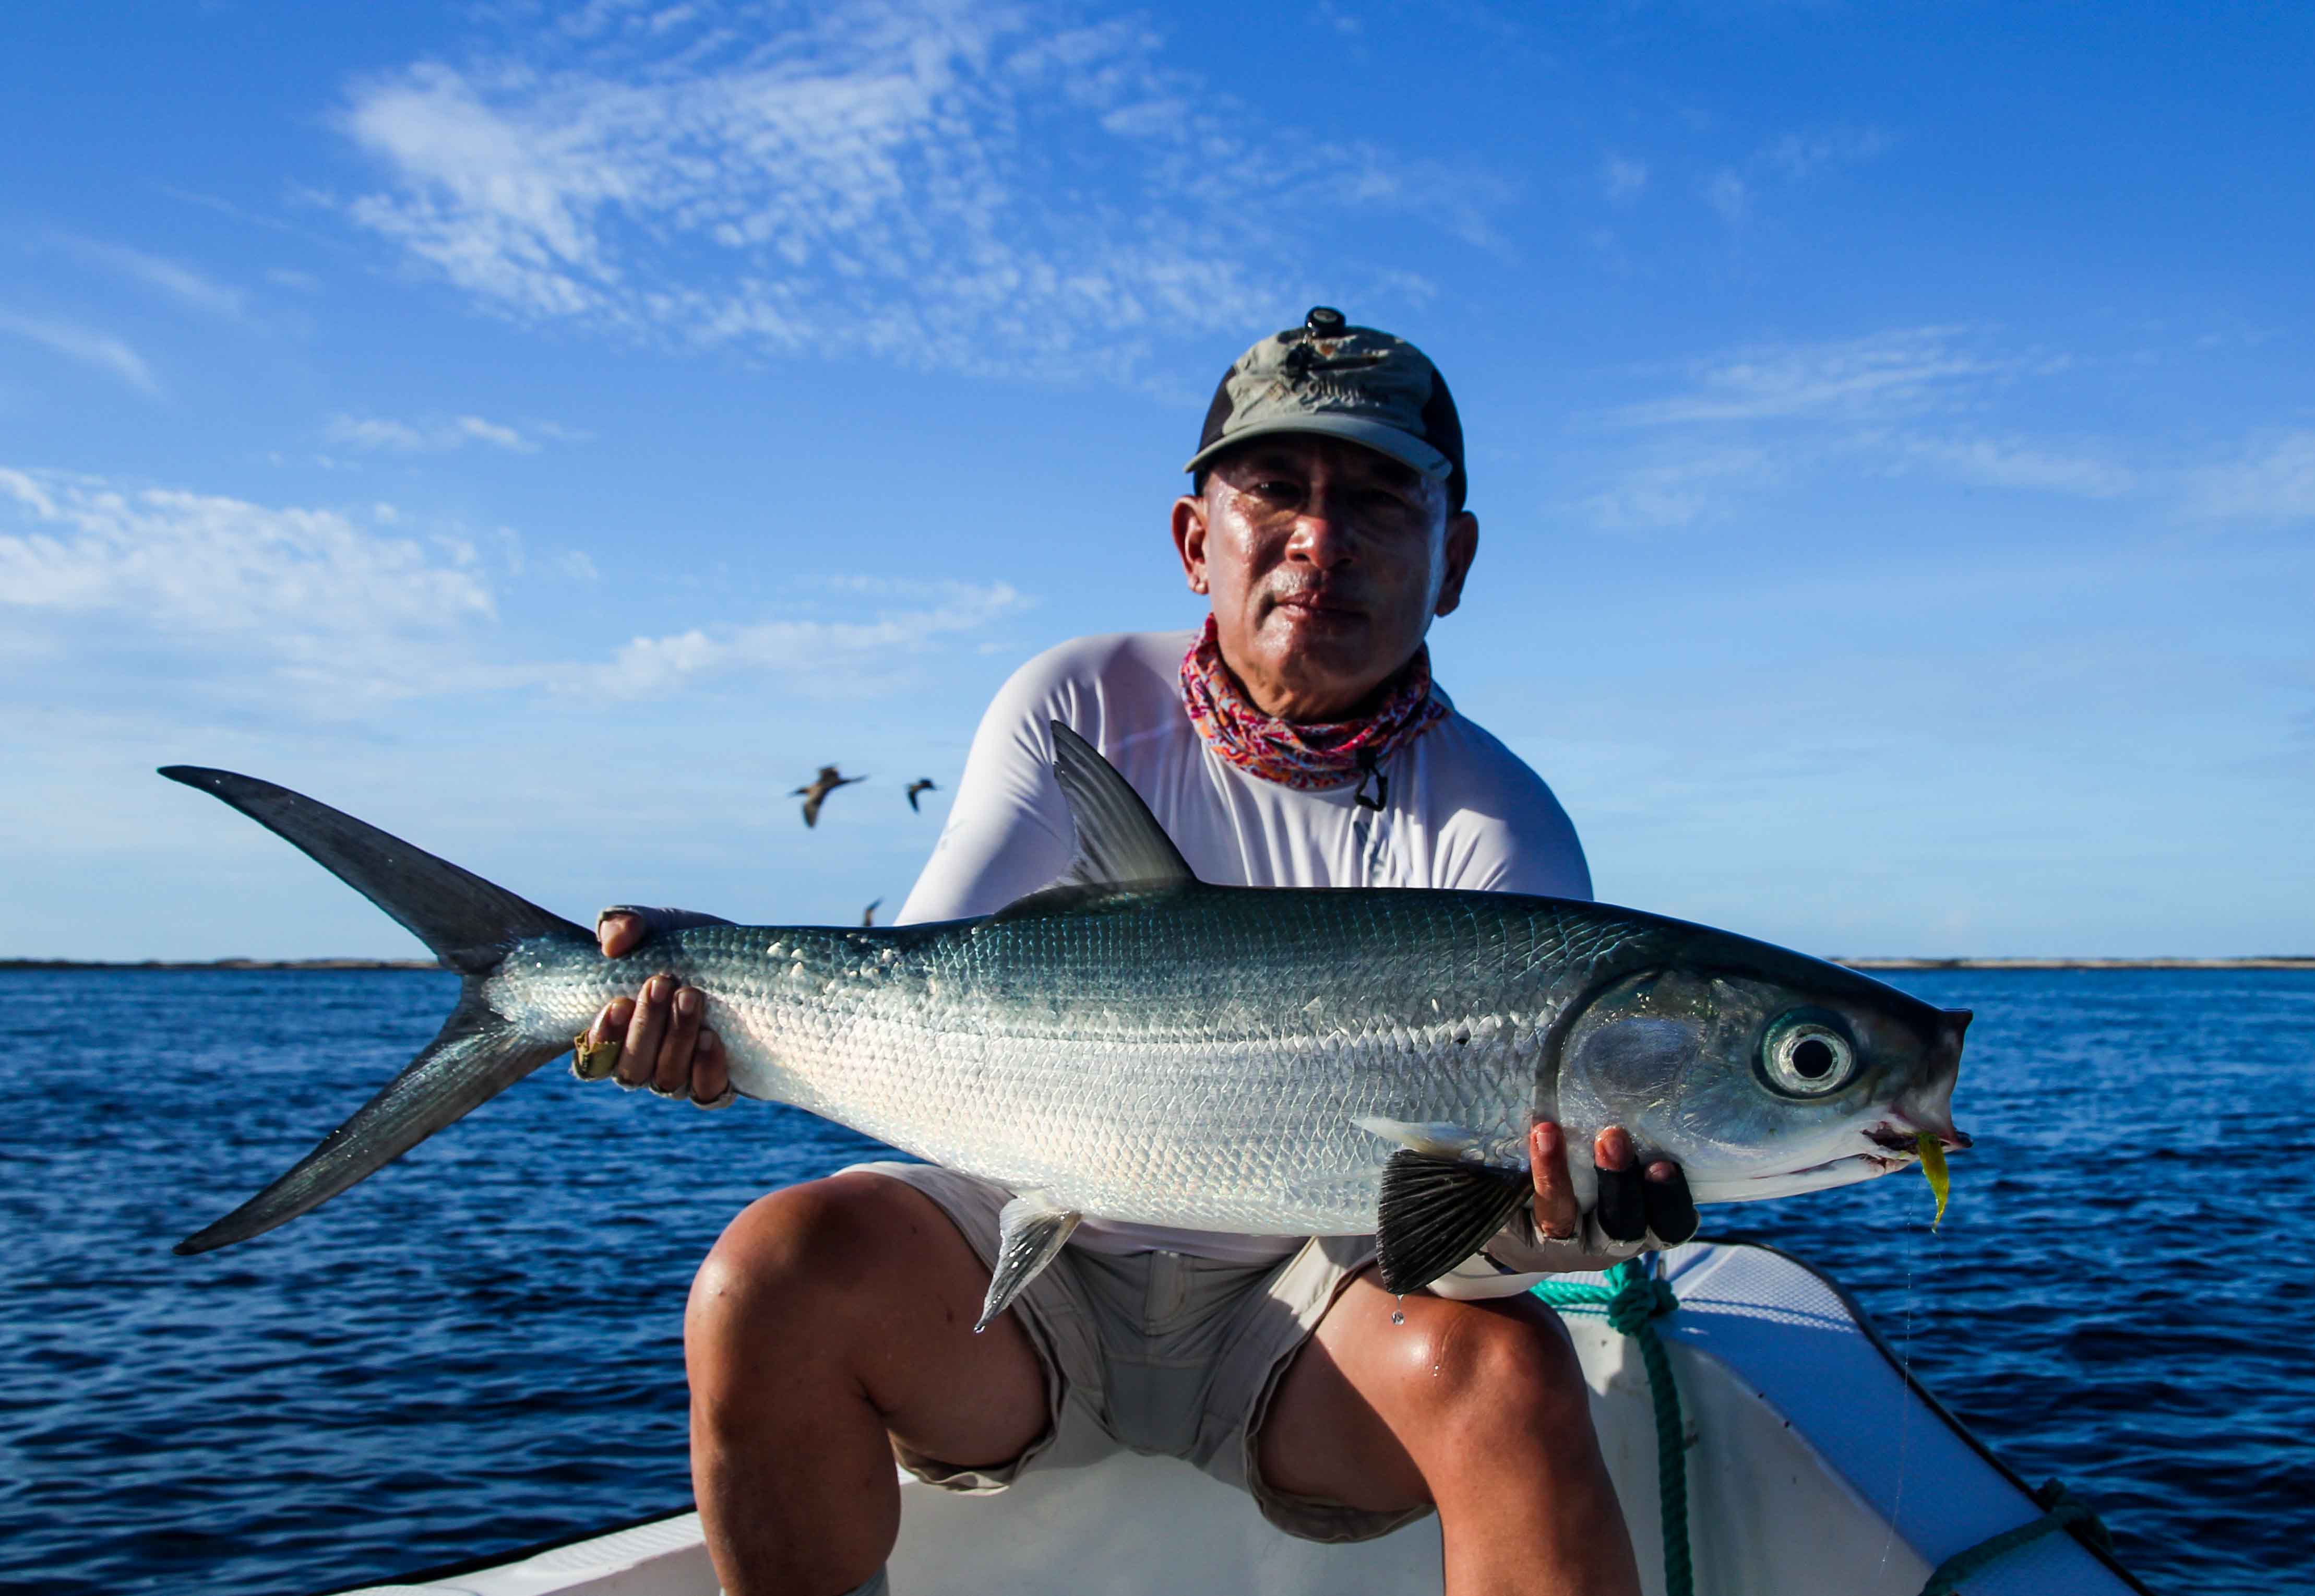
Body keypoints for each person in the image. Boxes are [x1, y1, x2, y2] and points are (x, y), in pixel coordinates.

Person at [580, 308, 1697, 1596]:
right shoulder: (1078, 701)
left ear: (1454, 556)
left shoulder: (1499, 827)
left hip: (1312, 1317)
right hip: (1022, 1276)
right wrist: (717, 1008)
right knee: (763, 1278)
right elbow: (930, 998)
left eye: (1381, 501)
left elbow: (1452, 1238)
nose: (1317, 541)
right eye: (1275, 489)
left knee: (1512, 1374)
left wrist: (1564, 1234)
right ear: (1191, 541)